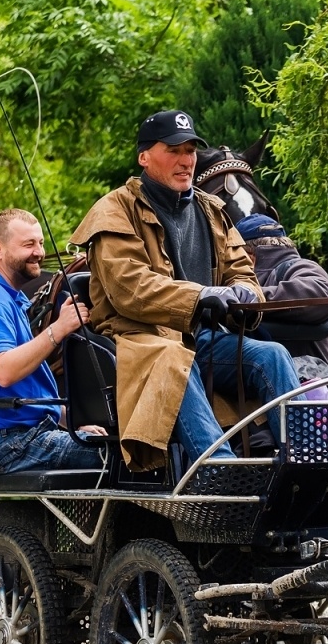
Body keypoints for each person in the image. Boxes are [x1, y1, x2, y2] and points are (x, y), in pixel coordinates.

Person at [69, 109, 301, 474]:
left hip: (201, 339)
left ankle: (302, 462)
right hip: (138, 340)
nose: (186, 161)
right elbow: (130, 289)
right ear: (144, 157)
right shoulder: (112, 211)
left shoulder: (211, 210)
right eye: (174, 150)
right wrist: (201, 296)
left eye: (191, 150)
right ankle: (220, 472)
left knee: (270, 355)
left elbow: (243, 270)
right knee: (172, 357)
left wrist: (242, 294)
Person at [0, 208, 104, 477]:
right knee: (114, 456)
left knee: (108, 443)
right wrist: (58, 329)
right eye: (28, 244)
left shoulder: (6, 296)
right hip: (9, 443)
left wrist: (73, 422)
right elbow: (4, 372)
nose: (39, 252)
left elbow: (28, 390)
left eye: (41, 243)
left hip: (27, 436)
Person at [233, 213, 328, 386]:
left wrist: (249, 296)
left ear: (249, 257)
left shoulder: (299, 267)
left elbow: (325, 295)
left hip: (308, 394)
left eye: (234, 258)